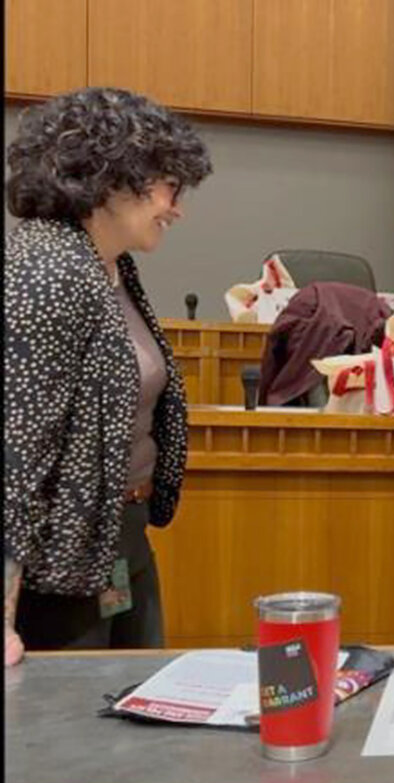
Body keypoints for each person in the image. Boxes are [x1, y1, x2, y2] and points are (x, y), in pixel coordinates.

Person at [4, 87, 212, 666]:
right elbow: (14, 452)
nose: (178, 207)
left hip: (118, 536)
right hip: (60, 569)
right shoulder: (46, 273)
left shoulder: (109, 266)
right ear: (115, 180)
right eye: (171, 186)